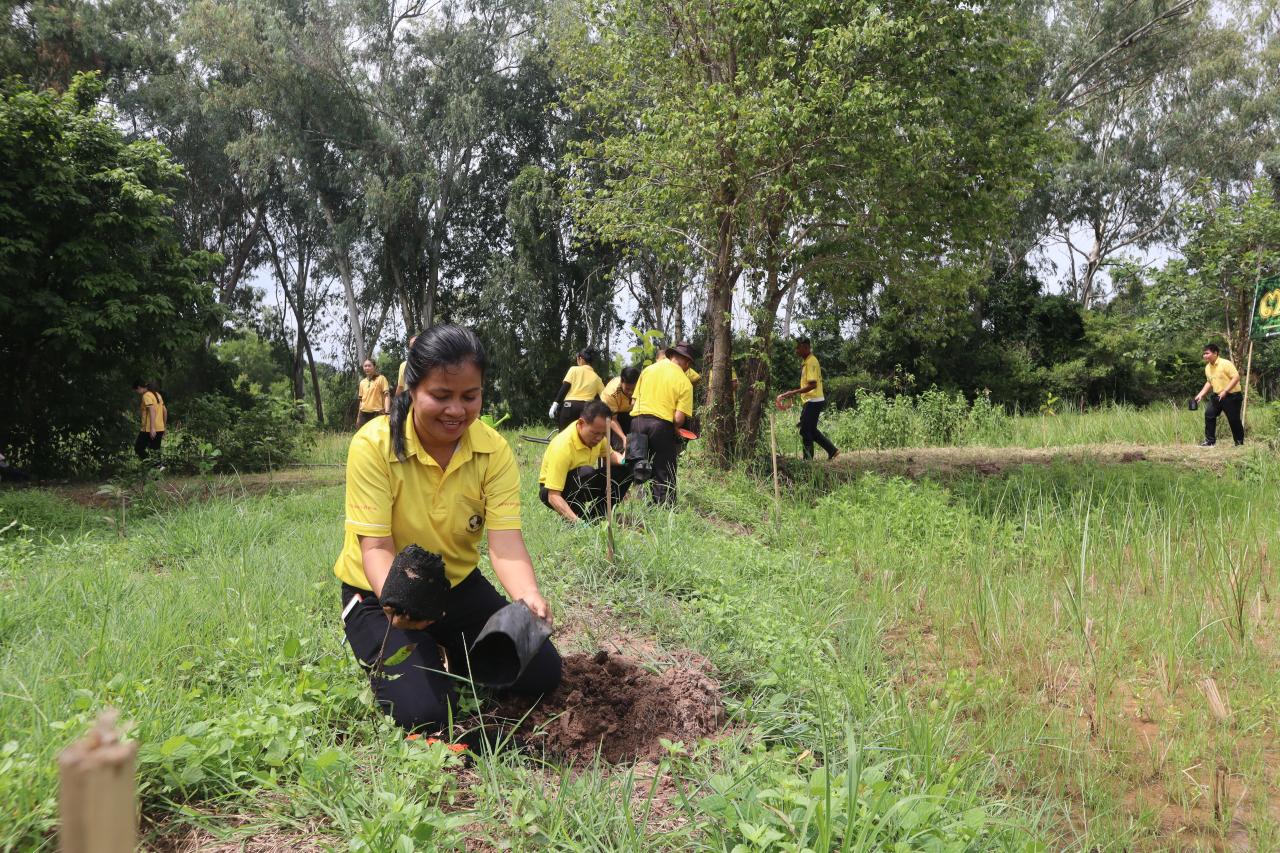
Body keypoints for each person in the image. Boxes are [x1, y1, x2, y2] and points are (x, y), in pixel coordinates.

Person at [334, 324, 561, 734]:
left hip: (456, 587)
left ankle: (447, 649)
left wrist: (527, 595)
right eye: (441, 396)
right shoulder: (374, 445)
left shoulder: (493, 450)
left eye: (469, 397)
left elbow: (506, 542)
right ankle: (412, 649)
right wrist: (402, 603)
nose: (457, 410)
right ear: (410, 389)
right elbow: (376, 547)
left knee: (542, 671)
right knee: (423, 714)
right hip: (380, 592)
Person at [538, 401, 628, 523]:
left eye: (603, 434)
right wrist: (579, 523)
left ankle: (597, 517)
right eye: (595, 433)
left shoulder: (599, 437)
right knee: (586, 472)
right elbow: (553, 496)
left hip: (583, 481)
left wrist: (625, 461)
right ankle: (577, 519)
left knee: (625, 471)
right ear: (581, 423)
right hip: (552, 491)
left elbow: (611, 455)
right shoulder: (562, 446)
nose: (599, 438)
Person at [629, 342, 695, 505]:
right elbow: (678, 419)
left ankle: (634, 503)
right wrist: (675, 428)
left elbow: (632, 402)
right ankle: (663, 507)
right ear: (687, 362)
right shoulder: (684, 382)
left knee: (637, 465)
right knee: (663, 469)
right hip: (660, 426)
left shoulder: (648, 370)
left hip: (636, 422)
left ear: (671, 355)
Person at [775, 338, 838, 461]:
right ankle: (832, 450)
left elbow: (812, 385)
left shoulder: (811, 362)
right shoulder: (806, 362)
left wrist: (792, 392)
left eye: (798, 348)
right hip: (811, 400)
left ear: (806, 348)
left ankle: (807, 460)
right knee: (810, 430)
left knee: (805, 431)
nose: (796, 350)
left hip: (813, 401)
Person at [1193, 343, 1244, 446]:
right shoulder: (1207, 367)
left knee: (1233, 420)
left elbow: (1236, 377)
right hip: (1217, 396)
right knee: (1209, 414)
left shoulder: (1225, 363)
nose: (1204, 356)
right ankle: (1210, 441)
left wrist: (1225, 391)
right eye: (1204, 354)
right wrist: (1201, 394)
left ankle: (1239, 443)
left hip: (1232, 396)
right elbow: (1209, 382)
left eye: (1207, 353)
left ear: (1215, 353)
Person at [550, 348, 605, 429]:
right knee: (583, 438)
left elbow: (565, 387)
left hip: (569, 407)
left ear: (580, 359)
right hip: (587, 409)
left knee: (564, 436)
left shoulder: (574, 369)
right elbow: (605, 397)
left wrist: (555, 403)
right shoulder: (597, 378)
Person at [601, 365, 641, 450]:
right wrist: (623, 438)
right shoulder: (612, 392)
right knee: (618, 444)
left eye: (633, 389)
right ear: (621, 382)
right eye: (627, 388)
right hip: (610, 415)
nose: (630, 392)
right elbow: (613, 419)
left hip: (628, 412)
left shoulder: (641, 387)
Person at [132, 380, 167, 462]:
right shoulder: (157, 395)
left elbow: (152, 410)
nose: (137, 392)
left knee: (138, 448)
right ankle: (158, 468)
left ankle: (151, 464)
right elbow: (164, 411)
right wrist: (164, 426)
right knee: (155, 451)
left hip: (148, 429)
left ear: (139, 388)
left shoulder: (146, 395)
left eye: (136, 391)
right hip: (159, 427)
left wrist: (152, 428)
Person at [356, 359, 390, 429]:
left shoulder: (381, 379)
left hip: (377, 413)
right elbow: (361, 401)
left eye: (369, 366)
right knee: (363, 436)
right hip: (364, 414)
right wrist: (358, 417)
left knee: (377, 436)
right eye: (365, 366)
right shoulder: (362, 382)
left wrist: (387, 412)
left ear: (374, 367)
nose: (367, 368)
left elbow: (386, 395)